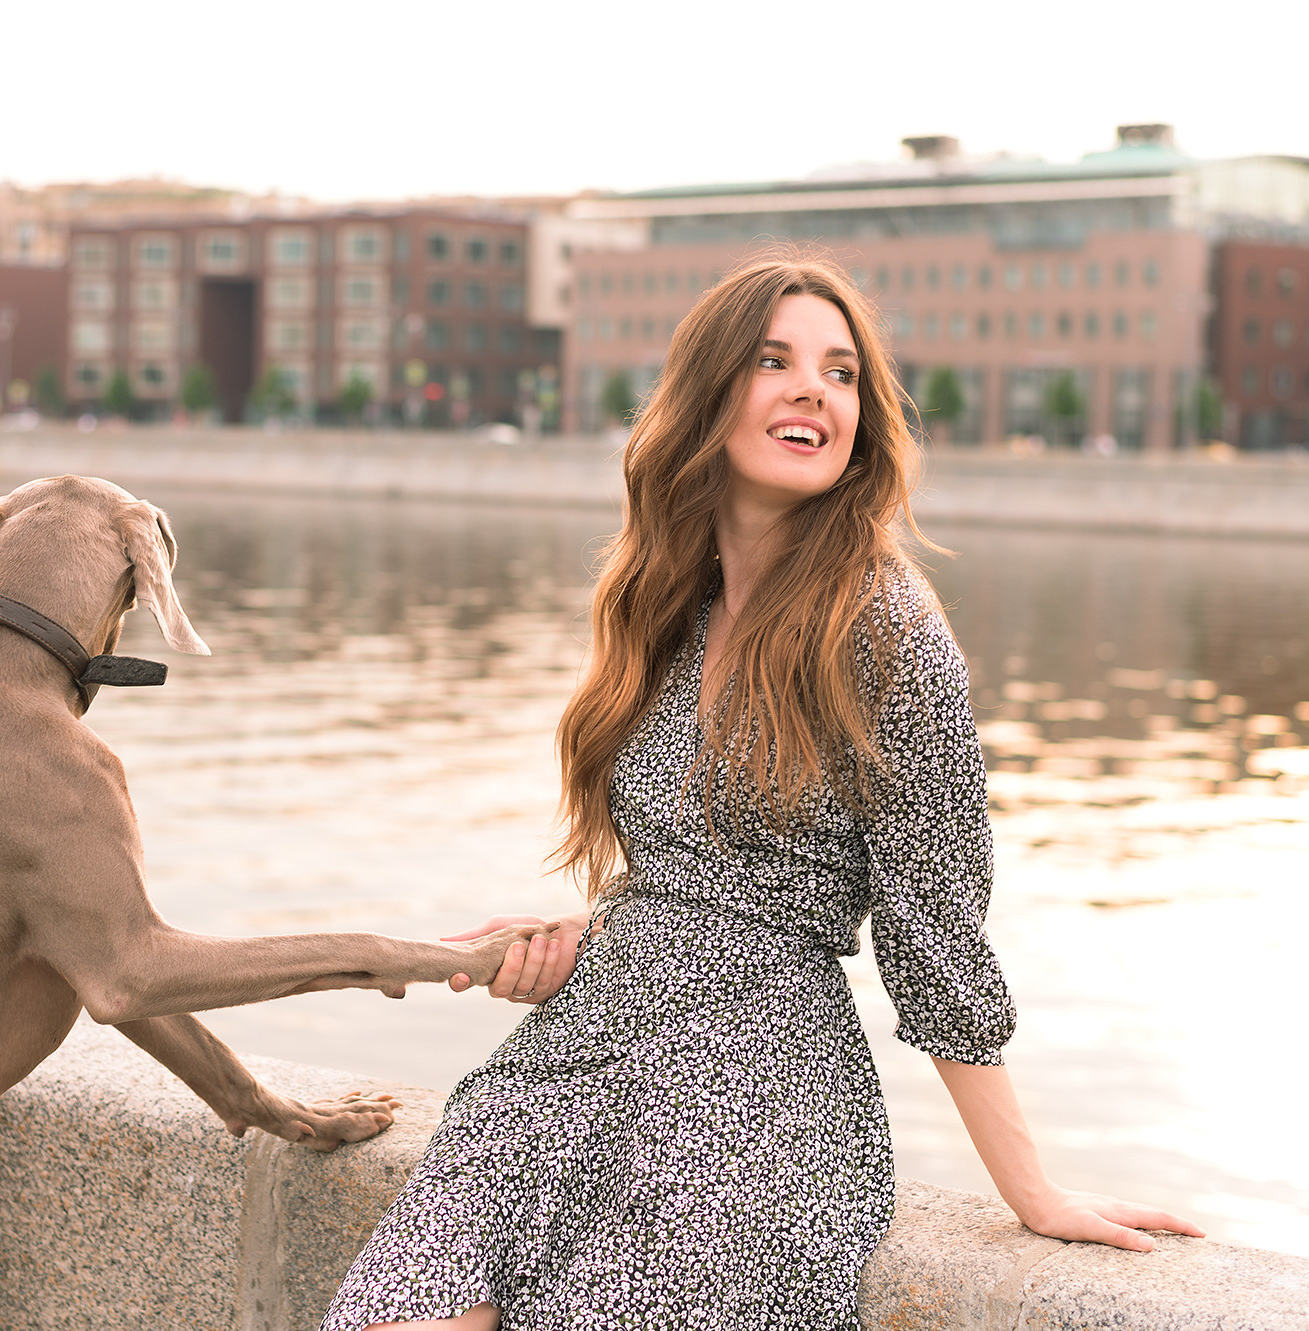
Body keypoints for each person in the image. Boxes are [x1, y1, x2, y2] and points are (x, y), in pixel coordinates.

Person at [324, 254, 1202, 1331]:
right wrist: (587, 932)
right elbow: (689, 866)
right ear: (707, 396)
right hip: (581, 1045)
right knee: (398, 1312)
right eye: (772, 360)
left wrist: (1030, 1188)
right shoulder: (662, 603)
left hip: (756, 1080)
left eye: (839, 373)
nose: (811, 390)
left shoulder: (886, 629)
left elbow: (935, 926)